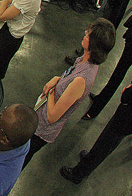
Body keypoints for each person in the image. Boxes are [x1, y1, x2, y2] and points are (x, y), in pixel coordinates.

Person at [60, 41, 132, 184]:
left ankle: (79, 173)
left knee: (108, 141)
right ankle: (91, 157)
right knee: (107, 136)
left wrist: (128, 93)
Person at [23, 19, 116, 168]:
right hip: (39, 116)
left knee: (20, 159)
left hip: (41, 129)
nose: (85, 34)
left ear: (94, 45)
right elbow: (68, 80)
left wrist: (52, 90)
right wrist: (57, 79)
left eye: (88, 34)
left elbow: (53, 116)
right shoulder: (84, 59)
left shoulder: (82, 79)